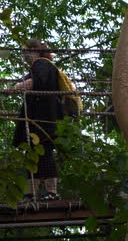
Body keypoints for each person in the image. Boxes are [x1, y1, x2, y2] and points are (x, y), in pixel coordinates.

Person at [12, 39, 63, 201]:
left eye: (25, 52)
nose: (24, 56)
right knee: (35, 153)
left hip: (42, 120)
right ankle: (34, 192)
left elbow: (35, 83)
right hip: (43, 119)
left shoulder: (41, 64)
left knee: (43, 153)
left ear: (34, 51)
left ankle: (48, 192)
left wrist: (14, 88)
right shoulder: (44, 65)